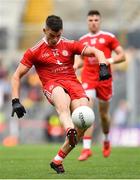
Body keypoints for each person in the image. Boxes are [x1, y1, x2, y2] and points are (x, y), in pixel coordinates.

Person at [11, 15, 110, 174]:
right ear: (45, 30)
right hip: (53, 84)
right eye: (51, 36)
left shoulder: (69, 44)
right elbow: (16, 76)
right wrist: (15, 100)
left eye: (58, 36)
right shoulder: (34, 51)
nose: (54, 39)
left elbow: (97, 51)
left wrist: (103, 65)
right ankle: (69, 129)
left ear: (61, 31)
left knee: (84, 118)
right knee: (61, 102)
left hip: (73, 84)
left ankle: (58, 159)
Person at [74, 10, 126, 161]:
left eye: (96, 19)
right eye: (90, 20)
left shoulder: (108, 37)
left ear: (100, 21)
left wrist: (108, 61)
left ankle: (106, 139)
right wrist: (75, 66)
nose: (93, 22)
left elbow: (122, 56)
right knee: (87, 112)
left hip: (105, 79)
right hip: (88, 78)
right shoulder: (82, 40)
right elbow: (81, 60)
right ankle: (86, 148)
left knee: (103, 115)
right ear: (87, 22)